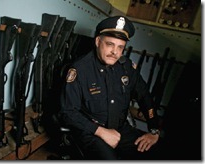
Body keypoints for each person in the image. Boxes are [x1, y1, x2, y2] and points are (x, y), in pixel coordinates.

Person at [59, 16, 162, 160]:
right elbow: (67, 112)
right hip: (90, 131)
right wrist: (100, 131)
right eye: (110, 44)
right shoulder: (80, 69)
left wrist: (154, 130)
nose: (115, 52)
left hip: (121, 129)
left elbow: (145, 96)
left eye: (120, 47)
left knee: (158, 151)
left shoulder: (126, 67)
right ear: (97, 41)